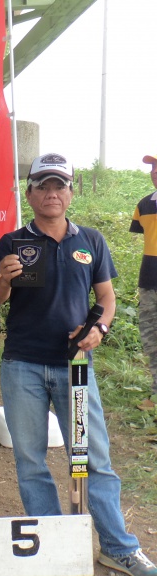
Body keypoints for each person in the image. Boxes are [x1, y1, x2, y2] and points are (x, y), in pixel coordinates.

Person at [0, 153, 157, 576]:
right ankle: (52, 539)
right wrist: (4, 279)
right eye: (43, 185)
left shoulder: (92, 241)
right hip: (22, 364)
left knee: (92, 459)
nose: (51, 193)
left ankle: (118, 549)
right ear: (29, 193)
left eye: (59, 185)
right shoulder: (11, 241)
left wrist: (98, 327)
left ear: (70, 192)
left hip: (76, 368)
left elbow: (108, 298)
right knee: (30, 459)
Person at [130, 153, 157, 404]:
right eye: (153, 167)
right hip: (149, 281)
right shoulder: (144, 205)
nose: (156, 171)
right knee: (151, 336)